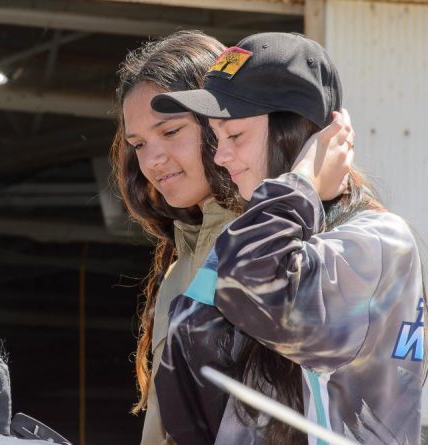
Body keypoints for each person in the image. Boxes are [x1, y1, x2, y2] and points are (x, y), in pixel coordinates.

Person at [152, 32, 424, 443]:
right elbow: (184, 380)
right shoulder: (252, 239)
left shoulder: (378, 243)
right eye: (216, 138)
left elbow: (264, 299)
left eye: (236, 136)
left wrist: (301, 181)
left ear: (299, 135)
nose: (221, 158)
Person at [110, 31, 244, 444]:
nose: (152, 160)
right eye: (138, 144)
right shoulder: (177, 269)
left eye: (169, 133)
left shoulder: (269, 248)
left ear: (220, 122)